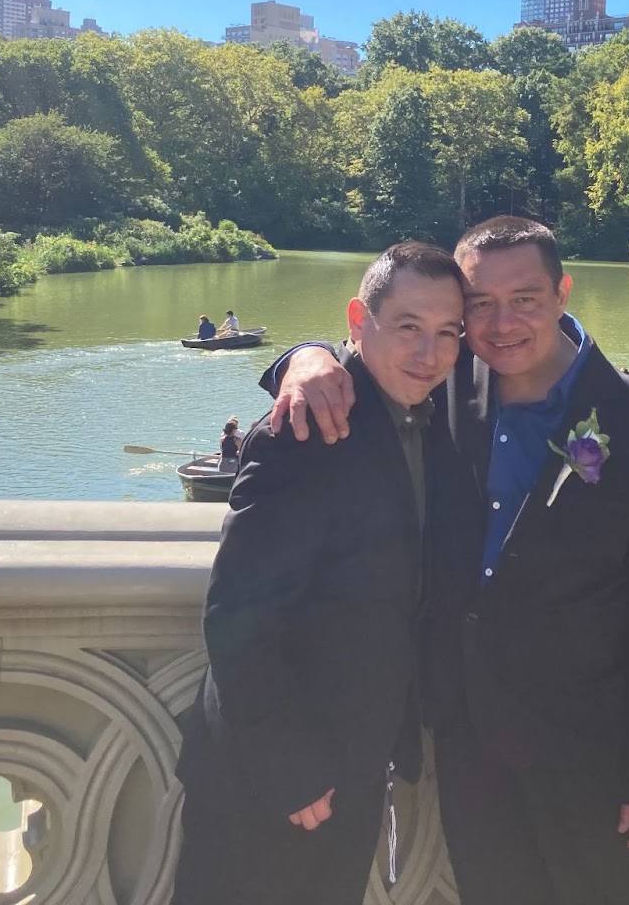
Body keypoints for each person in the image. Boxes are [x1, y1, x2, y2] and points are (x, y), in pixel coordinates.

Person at [263, 216, 629, 905]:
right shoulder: (445, 382)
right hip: (467, 740)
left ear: (562, 294)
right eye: (478, 306)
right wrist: (305, 356)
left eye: (524, 298)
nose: (500, 324)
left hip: (590, 753)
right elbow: (374, 341)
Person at [172, 242, 468, 905]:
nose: (431, 353)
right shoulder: (303, 428)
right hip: (271, 775)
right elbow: (236, 615)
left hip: (355, 767)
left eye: (449, 332)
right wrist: (289, 769)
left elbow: (532, 336)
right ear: (359, 321)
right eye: (410, 328)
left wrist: (304, 351)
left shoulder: (431, 416)